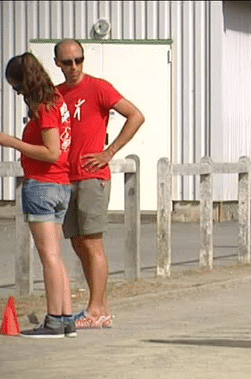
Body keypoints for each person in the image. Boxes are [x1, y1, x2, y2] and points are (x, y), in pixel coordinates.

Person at [54, 39, 145, 329]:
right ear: (57, 63)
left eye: (78, 60)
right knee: (78, 243)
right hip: (65, 178)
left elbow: (135, 115)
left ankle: (95, 309)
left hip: (92, 177)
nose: (74, 67)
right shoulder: (56, 95)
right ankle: (100, 307)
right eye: (67, 62)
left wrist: (110, 152)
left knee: (93, 243)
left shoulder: (98, 88)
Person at [1, 53, 76, 338]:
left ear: (24, 81)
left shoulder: (44, 107)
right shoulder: (57, 100)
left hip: (42, 184)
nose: (17, 92)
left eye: (16, 86)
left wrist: (12, 142)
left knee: (49, 258)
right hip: (60, 185)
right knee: (56, 257)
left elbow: (51, 151)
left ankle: (54, 320)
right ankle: (66, 318)